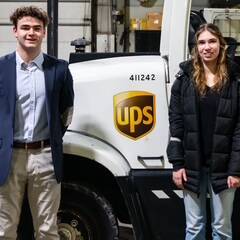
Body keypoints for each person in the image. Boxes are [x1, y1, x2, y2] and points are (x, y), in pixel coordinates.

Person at [0, 6, 74, 239]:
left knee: (47, 229)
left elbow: (67, 111)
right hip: (8, 157)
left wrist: (52, 138)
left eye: (36, 28)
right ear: (15, 31)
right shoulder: (1, 68)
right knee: (4, 229)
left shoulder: (59, 69)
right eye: (25, 28)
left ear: (44, 33)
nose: (31, 32)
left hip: (45, 157)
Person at [167, 23, 240, 240]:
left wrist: (235, 170)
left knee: (222, 228)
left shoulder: (235, 80)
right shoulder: (185, 79)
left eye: (212, 41)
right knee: (194, 227)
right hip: (191, 164)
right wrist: (177, 164)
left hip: (224, 166)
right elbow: (176, 123)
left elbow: (239, 129)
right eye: (201, 42)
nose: (207, 47)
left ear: (221, 45)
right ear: (196, 47)